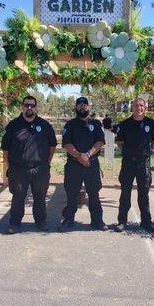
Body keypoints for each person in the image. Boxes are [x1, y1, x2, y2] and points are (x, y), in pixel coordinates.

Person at [1, 95, 57, 234]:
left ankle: (40, 222)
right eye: (27, 105)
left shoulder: (45, 125)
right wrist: (8, 166)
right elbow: (5, 148)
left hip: (40, 168)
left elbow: (52, 146)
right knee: (18, 197)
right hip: (18, 169)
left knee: (40, 197)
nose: (29, 108)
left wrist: (47, 163)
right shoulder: (13, 125)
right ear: (22, 106)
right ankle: (14, 223)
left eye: (32, 105)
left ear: (36, 107)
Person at [59, 96, 108, 232]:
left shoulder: (96, 124)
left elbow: (100, 142)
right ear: (76, 107)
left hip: (91, 164)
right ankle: (68, 220)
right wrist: (79, 156)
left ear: (88, 107)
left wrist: (87, 155)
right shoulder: (70, 125)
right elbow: (67, 144)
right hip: (74, 164)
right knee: (71, 193)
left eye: (84, 104)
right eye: (79, 104)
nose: (82, 106)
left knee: (94, 193)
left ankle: (97, 221)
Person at [115, 98, 154, 233]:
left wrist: (148, 151)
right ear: (131, 107)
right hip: (128, 163)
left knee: (144, 195)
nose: (138, 108)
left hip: (143, 164)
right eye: (136, 106)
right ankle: (122, 222)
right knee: (125, 193)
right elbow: (120, 142)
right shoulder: (125, 124)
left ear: (144, 108)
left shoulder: (151, 124)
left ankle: (146, 222)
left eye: (141, 106)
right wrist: (128, 152)